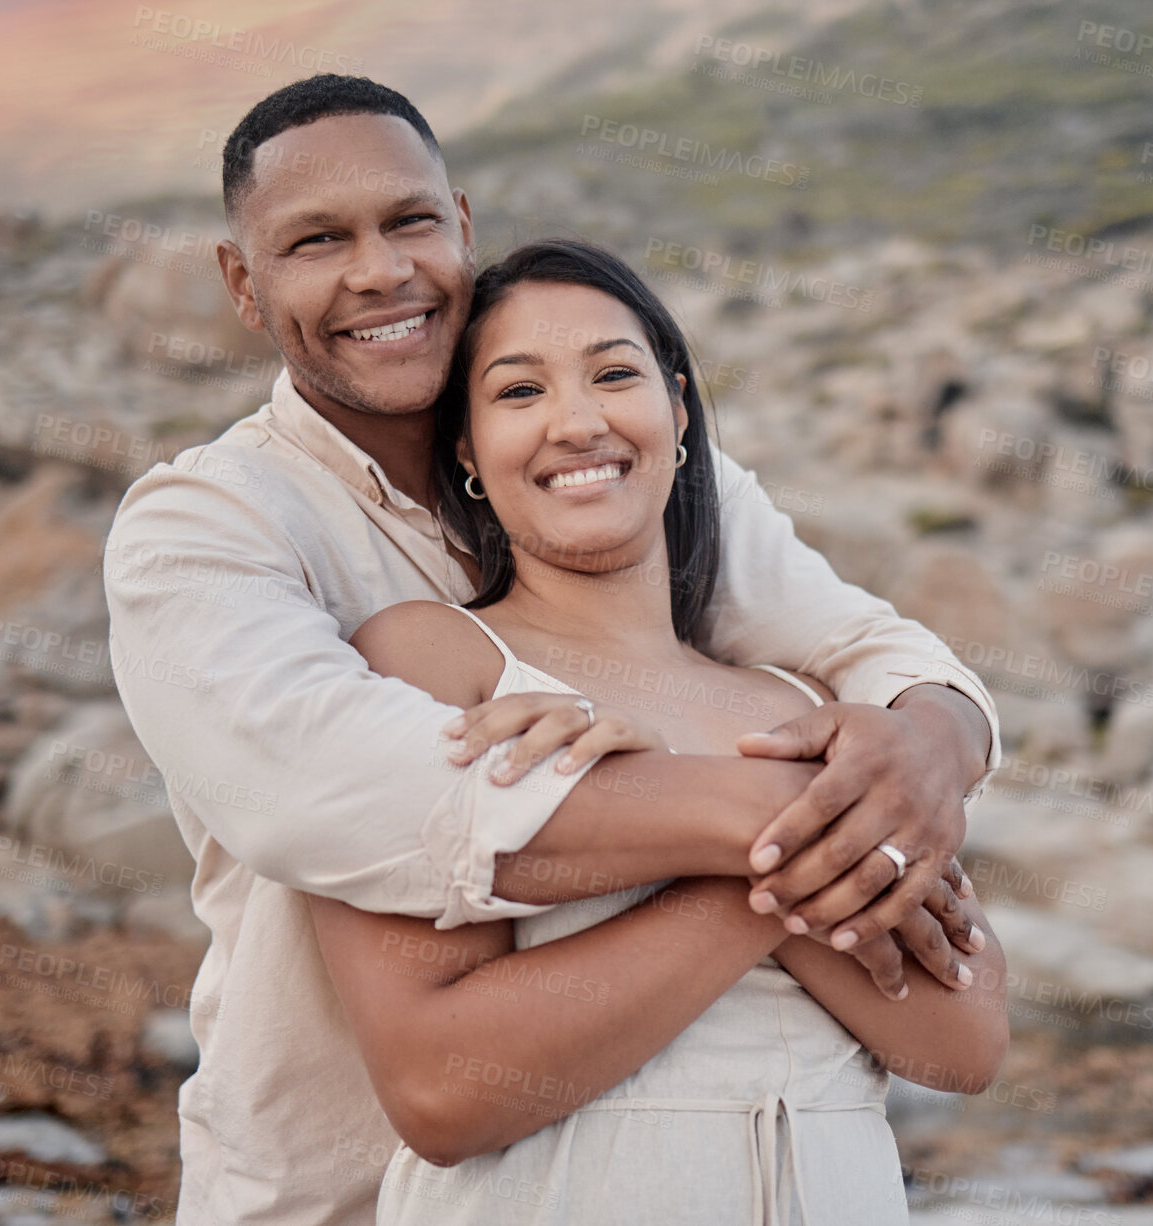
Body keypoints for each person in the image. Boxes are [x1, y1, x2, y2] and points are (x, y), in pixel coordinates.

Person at [102, 74, 999, 1225]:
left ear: (461, 225)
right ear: (241, 280)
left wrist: (930, 740)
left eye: (409, 222)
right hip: (332, 1188)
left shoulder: (627, 477)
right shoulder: (209, 523)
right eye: (317, 239)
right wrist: (787, 826)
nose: (378, 272)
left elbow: (871, 649)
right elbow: (332, 784)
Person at [307, 239, 1009, 1225]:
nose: (577, 420)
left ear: (677, 414)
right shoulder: (437, 660)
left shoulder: (795, 695)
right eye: (517, 392)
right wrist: (772, 852)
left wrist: (700, 823)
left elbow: (961, 1039)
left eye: (613, 373)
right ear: (463, 448)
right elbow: (438, 1089)